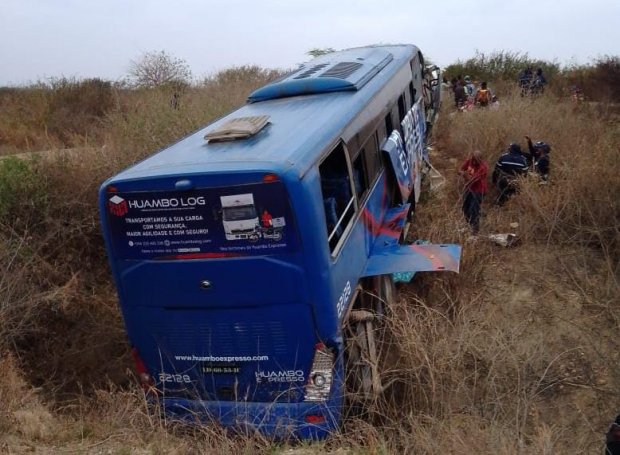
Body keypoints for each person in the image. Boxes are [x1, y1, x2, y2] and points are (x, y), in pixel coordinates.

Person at [458, 150, 488, 235]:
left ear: (480, 159)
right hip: (468, 189)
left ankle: (475, 229)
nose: (474, 162)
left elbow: (472, 180)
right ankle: (469, 224)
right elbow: (460, 170)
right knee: (465, 207)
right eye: (473, 159)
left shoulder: (483, 167)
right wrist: (462, 173)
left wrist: (464, 174)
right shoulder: (469, 161)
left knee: (473, 209)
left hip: (478, 190)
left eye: (476, 160)